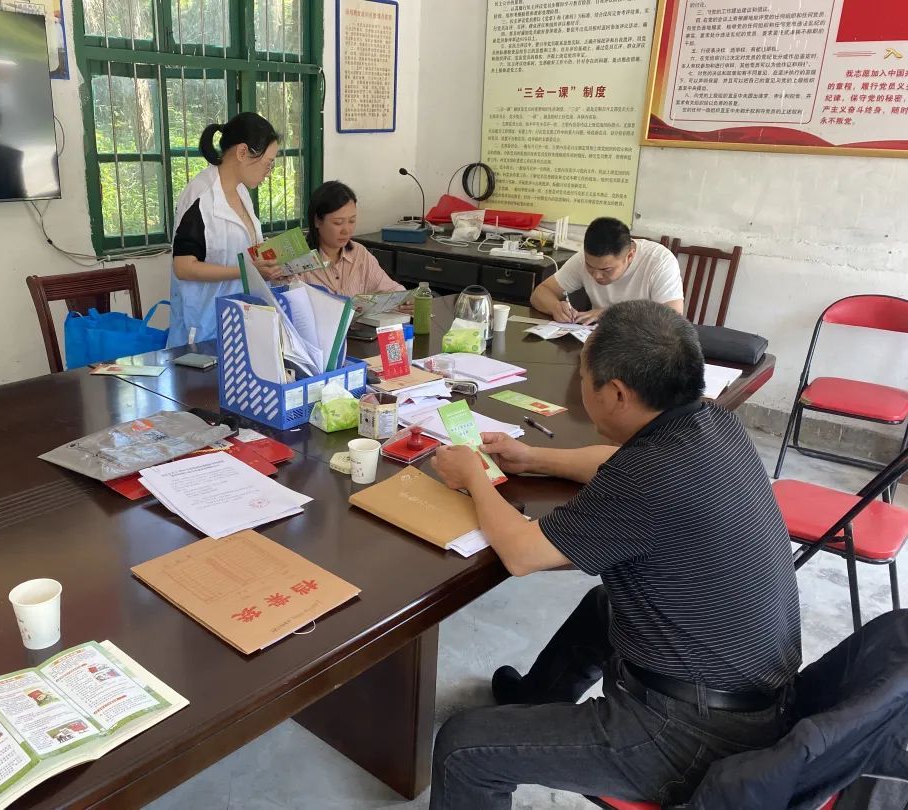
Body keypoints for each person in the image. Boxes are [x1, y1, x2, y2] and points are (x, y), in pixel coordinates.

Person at [428, 300, 801, 809]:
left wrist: (474, 477)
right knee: (602, 607)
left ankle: (516, 734)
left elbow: (521, 553)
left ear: (618, 393)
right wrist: (531, 457)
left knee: (463, 748)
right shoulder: (712, 423)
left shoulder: (650, 477)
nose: (580, 386)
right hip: (750, 691)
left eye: (583, 377)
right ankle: (533, 704)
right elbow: (615, 461)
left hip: (693, 734)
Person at [167, 112, 284, 346]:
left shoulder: (241, 192)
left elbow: (242, 250)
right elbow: (184, 267)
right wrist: (246, 271)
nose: (269, 172)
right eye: (268, 163)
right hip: (203, 327)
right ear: (242, 152)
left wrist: (273, 264)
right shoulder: (201, 195)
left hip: (239, 320)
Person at [530, 217, 684, 324]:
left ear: (630, 256)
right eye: (590, 267)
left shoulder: (659, 261)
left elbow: (672, 318)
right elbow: (541, 293)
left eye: (606, 269)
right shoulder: (583, 258)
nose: (597, 275)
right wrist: (555, 307)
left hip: (644, 343)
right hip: (598, 340)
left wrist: (611, 313)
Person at [297, 180, 406, 299]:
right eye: (338, 222)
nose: (346, 230)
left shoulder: (359, 254)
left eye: (352, 221)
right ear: (317, 221)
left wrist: (406, 299)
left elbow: (391, 289)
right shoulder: (298, 261)